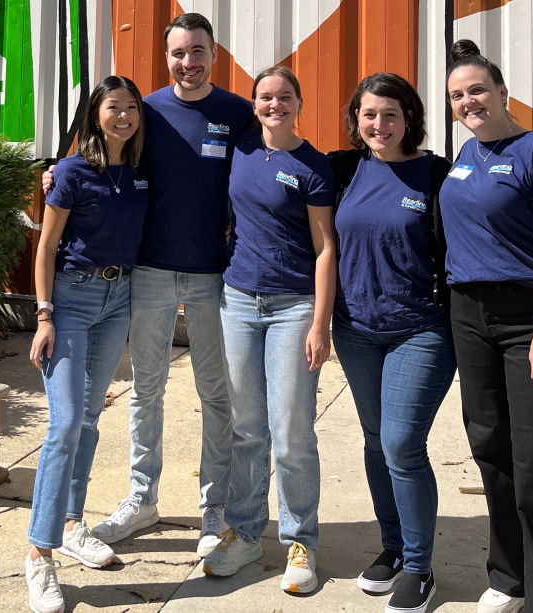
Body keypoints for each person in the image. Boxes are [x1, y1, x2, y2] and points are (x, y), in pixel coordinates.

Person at [43, 13, 255, 556]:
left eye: (199, 51)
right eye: (179, 53)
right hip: (150, 272)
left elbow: (267, 165)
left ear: (214, 53)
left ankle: (214, 510)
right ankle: (143, 499)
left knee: (215, 394)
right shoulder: (148, 110)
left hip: (213, 273)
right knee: (146, 391)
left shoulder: (235, 112)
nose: (189, 62)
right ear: (167, 58)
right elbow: (103, 157)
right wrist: (56, 175)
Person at [441, 40, 533, 613]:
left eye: (477, 90)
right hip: (468, 315)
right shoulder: (463, 157)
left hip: (528, 318)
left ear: (503, 93)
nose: (468, 102)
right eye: (457, 95)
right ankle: (508, 577)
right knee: (490, 450)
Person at [201, 66, 336, 595]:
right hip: (237, 300)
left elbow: (326, 249)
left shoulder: (314, 165)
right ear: (253, 105)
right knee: (247, 428)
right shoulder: (240, 149)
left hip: (292, 307)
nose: (273, 105)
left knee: (291, 433)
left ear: (299, 103)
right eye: (264, 97)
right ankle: (246, 532)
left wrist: (320, 323)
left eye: (284, 97)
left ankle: (301, 539)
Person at [327, 73, 456, 613]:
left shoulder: (438, 174)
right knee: (377, 438)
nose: (379, 125)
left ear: (410, 119)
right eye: (369, 115)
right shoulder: (340, 169)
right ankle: (394, 546)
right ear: (356, 120)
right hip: (355, 329)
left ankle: (421, 569)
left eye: (390, 114)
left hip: (420, 328)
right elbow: (261, 151)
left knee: (403, 442)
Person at [26, 76, 148, 613]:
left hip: (118, 300)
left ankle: (73, 525)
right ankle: (39, 555)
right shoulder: (72, 172)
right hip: (71, 302)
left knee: (92, 419)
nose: (123, 116)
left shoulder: (141, 173)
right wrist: (44, 314)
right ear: (95, 115)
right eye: (112, 108)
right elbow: (46, 246)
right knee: (66, 423)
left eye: (131, 108)